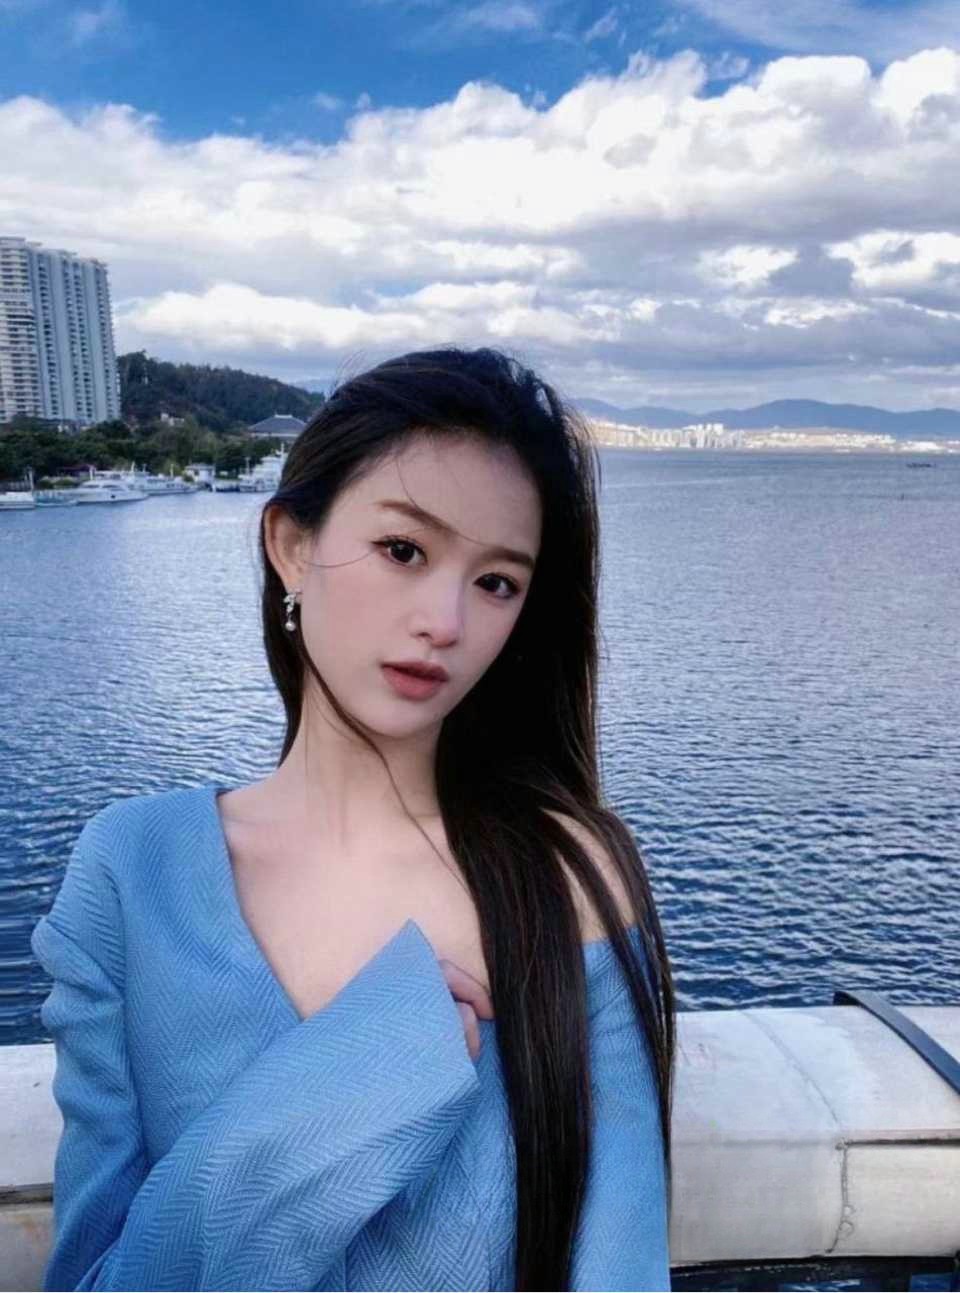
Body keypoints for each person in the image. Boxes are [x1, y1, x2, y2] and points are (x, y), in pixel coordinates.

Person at [31, 346, 676, 1292]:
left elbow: (619, 1267)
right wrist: (362, 1073)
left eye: (497, 581)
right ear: (292, 545)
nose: (445, 620)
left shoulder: (568, 874)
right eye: (404, 550)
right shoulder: (134, 872)